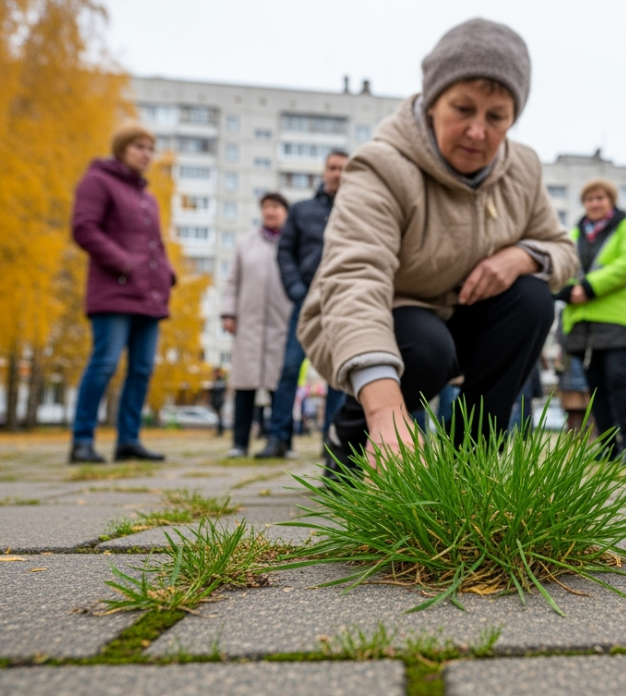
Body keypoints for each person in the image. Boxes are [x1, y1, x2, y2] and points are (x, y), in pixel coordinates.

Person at [297, 18, 578, 480]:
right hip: (378, 319)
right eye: (462, 109)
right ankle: (352, 441)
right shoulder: (381, 166)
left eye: (496, 117)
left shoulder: (522, 168)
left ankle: (470, 466)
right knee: (426, 347)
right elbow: (355, 280)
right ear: (431, 102)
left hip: (462, 314)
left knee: (531, 299)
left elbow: (563, 251)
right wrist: (387, 415)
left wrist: (521, 256)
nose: (477, 131)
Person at [68, 123, 174, 464]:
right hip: (112, 292)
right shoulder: (97, 181)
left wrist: (167, 272)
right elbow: (83, 228)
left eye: (150, 148)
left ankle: (128, 440)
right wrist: (125, 263)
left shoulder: (148, 196)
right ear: (122, 149)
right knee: (104, 364)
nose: (146, 154)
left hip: (148, 294)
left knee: (142, 369)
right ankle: (82, 440)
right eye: (139, 146)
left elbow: (154, 243)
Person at [262, 151, 349, 458]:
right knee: (289, 368)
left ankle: (333, 440)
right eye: (332, 167)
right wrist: (297, 290)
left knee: (339, 373)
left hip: (343, 300)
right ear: (324, 172)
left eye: (343, 168)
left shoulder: (357, 209)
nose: (337, 173)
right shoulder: (301, 210)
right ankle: (279, 437)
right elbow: (285, 252)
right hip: (306, 300)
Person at [556, 178, 626, 462]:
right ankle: (608, 446)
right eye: (589, 199)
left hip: (614, 317)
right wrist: (568, 290)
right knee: (594, 385)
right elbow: (562, 266)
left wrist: (588, 287)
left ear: (611, 201)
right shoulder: (574, 233)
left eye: (600, 198)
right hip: (580, 321)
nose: (595, 203)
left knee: (617, 377)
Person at [220, 193, 294, 458]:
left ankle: (283, 442)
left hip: (281, 324)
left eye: (275, 207)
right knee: (244, 386)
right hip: (249, 324)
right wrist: (229, 313)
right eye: (265, 207)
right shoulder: (246, 244)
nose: (270, 212)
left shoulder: (291, 244)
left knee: (281, 386)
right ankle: (240, 443)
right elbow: (233, 281)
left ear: (285, 212)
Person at [208, 367, 227, 437]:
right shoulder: (215, 381)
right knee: (218, 417)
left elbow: (220, 392)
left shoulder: (220, 381)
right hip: (216, 401)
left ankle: (220, 431)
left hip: (219, 402)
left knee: (220, 417)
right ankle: (219, 430)